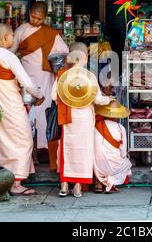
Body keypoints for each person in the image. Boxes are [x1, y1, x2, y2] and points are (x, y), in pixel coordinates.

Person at [0, 23, 45, 196]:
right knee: (22, 141)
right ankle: (16, 183)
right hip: (11, 106)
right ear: (4, 38)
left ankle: (2, 180)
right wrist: (39, 95)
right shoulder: (8, 56)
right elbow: (26, 82)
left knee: (3, 141)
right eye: (11, 36)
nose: (13, 39)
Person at [9, 1, 69, 170]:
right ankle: (31, 152)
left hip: (46, 77)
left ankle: (44, 150)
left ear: (45, 18)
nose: (36, 21)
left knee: (44, 114)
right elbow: (12, 52)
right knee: (28, 113)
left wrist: (52, 59)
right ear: (29, 14)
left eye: (39, 19)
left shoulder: (50, 33)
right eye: (33, 17)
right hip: (26, 77)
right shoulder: (21, 30)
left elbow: (64, 51)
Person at [51, 42, 112, 198]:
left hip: (67, 117)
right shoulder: (88, 76)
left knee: (67, 150)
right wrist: (109, 100)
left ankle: (64, 186)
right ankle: (77, 187)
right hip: (84, 117)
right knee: (83, 150)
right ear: (85, 57)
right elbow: (98, 99)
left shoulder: (62, 75)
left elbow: (53, 97)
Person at [93, 100, 132, 193]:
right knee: (128, 164)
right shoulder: (120, 128)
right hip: (113, 166)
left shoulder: (95, 125)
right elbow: (123, 153)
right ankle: (111, 180)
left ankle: (99, 181)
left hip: (96, 166)